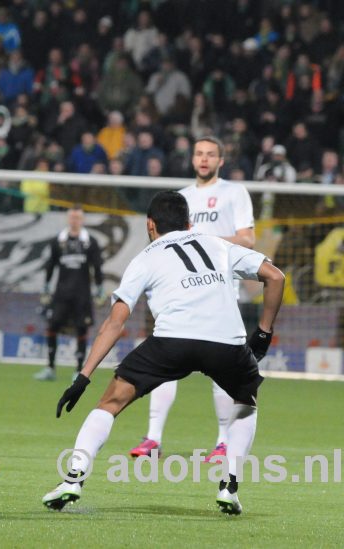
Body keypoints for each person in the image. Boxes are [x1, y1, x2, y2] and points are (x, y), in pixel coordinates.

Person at [42, 190, 284, 515]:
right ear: (189, 223)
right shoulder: (218, 244)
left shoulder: (145, 257)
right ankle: (229, 485)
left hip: (172, 341)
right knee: (246, 402)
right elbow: (276, 277)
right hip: (226, 343)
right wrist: (264, 333)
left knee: (110, 402)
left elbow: (115, 323)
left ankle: (73, 479)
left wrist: (83, 377)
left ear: (150, 225)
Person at [129, 136, 256, 462]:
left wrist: (203, 239)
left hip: (220, 290)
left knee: (222, 370)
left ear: (221, 160)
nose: (203, 159)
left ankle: (223, 441)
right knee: (164, 360)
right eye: (199, 153)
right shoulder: (180, 199)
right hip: (180, 291)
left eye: (210, 154)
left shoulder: (234, 193)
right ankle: (153, 438)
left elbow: (248, 239)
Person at [34, 204, 103, 382]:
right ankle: (50, 368)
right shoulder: (59, 241)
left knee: (82, 328)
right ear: (68, 219)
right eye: (72, 217)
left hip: (82, 295)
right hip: (61, 294)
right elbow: (51, 264)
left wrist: (100, 287)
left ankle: (79, 370)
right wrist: (46, 285)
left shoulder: (90, 242)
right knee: (52, 325)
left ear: (83, 220)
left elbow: (97, 266)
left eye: (78, 218)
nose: (75, 221)